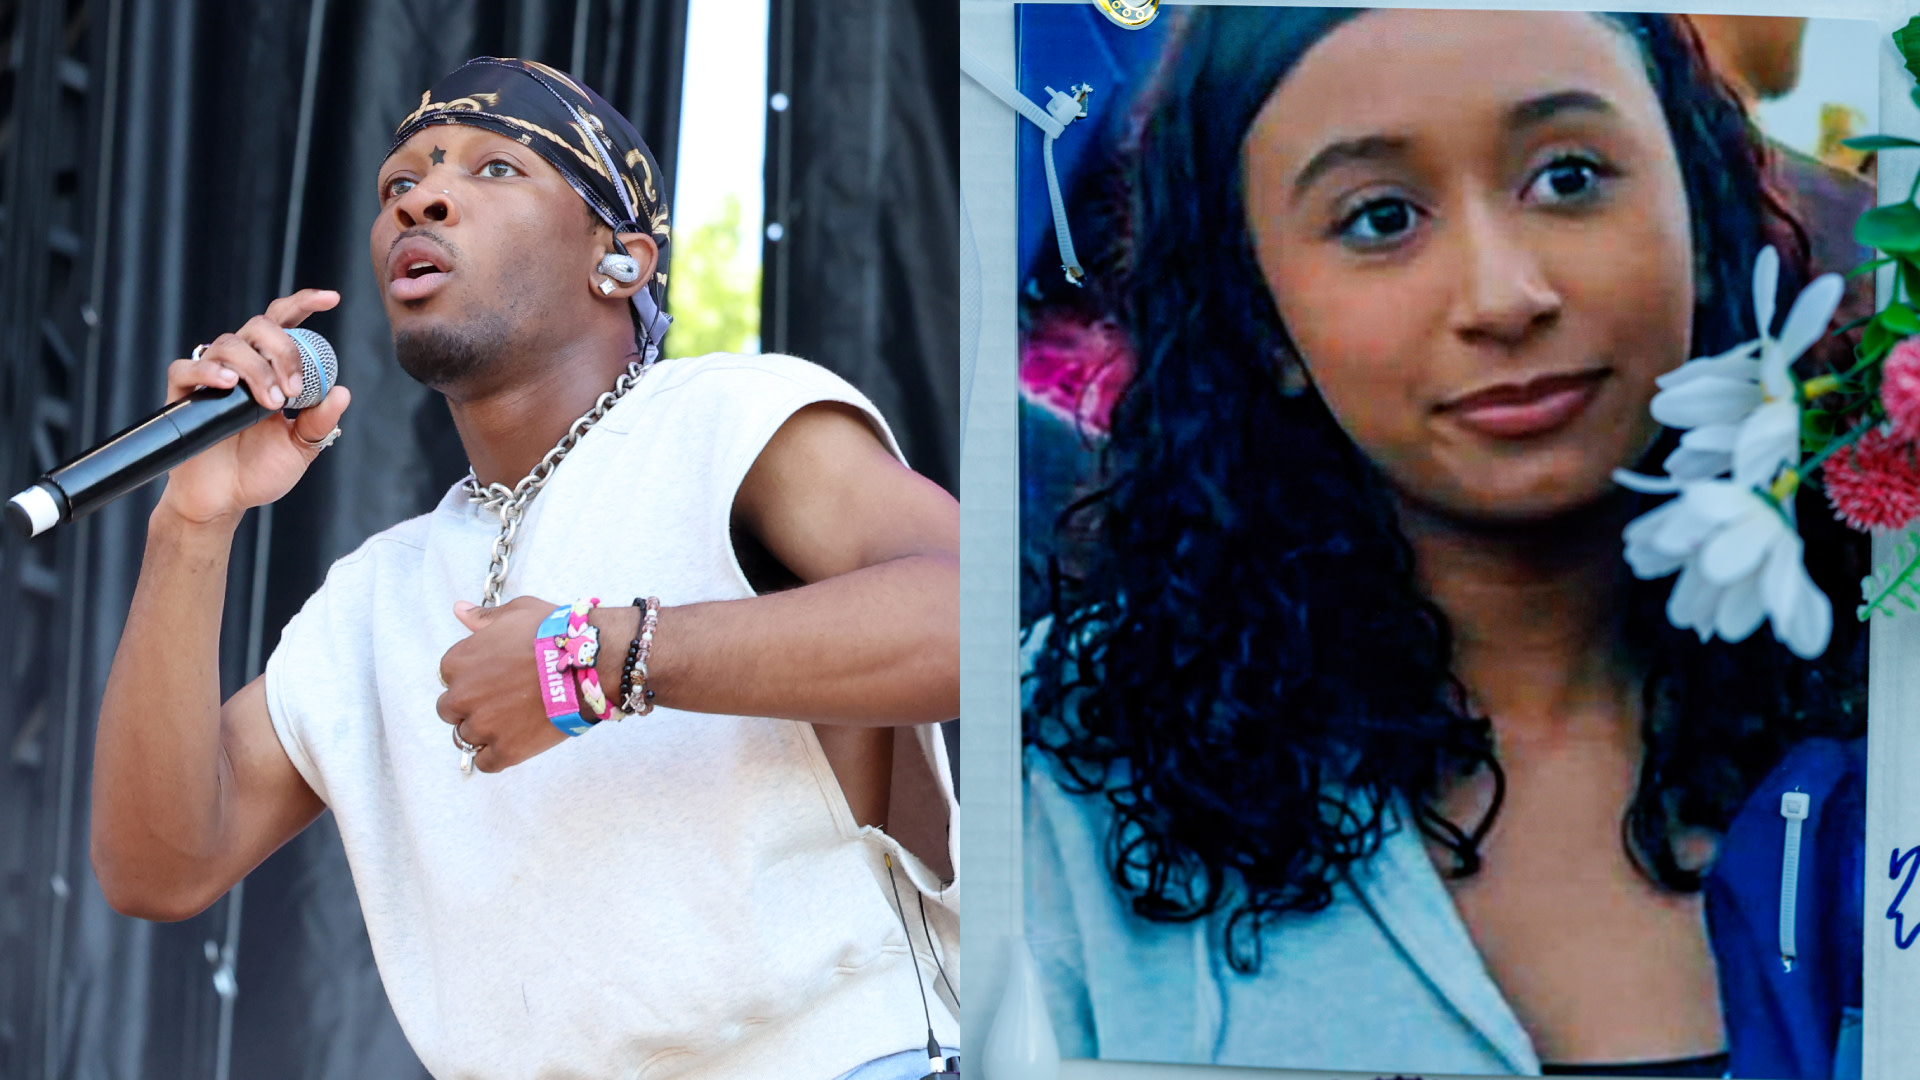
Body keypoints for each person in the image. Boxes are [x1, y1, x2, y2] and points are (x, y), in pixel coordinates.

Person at [1022, 9, 1866, 1079]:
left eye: (1567, 178)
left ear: (1702, 226)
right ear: (1264, 322)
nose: (1505, 297)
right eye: (1380, 218)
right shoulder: (1059, 758)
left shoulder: (1884, 682)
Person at [89, 57, 960, 1080]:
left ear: (621, 261)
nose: (422, 193)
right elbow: (161, 862)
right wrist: (193, 521)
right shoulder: (378, 593)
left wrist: (592, 658)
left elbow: (970, 616)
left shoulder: (727, 419)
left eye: (495, 167)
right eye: (399, 182)